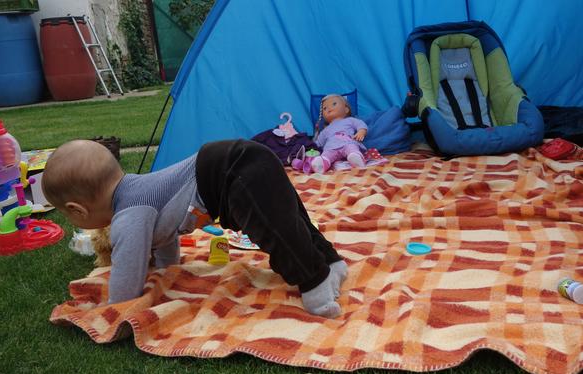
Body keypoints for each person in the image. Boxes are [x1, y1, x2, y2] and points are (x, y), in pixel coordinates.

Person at [42, 139, 348, 318]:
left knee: (275, 230)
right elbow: (164, 234)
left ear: (77, 210)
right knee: (290, 217)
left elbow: (127, 279)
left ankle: (314, 281)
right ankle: (331, 261)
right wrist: (168, 268)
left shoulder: (127, 217)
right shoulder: (139, 192)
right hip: (239, 158)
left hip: (232, 172)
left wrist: (114, 308)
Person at [311, 94, 368, 173]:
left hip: (347, 142)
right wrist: (311, 149)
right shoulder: (325, 130)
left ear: (346, 109)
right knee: (326, 155)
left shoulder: (350, 120)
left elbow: (360, 124)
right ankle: (321, 164)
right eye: (325, 108)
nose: (329, 108)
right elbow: (319, 142)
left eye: (334, 104)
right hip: (331, 147)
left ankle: (355, 158)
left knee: (352, 148)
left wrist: (361, 131)